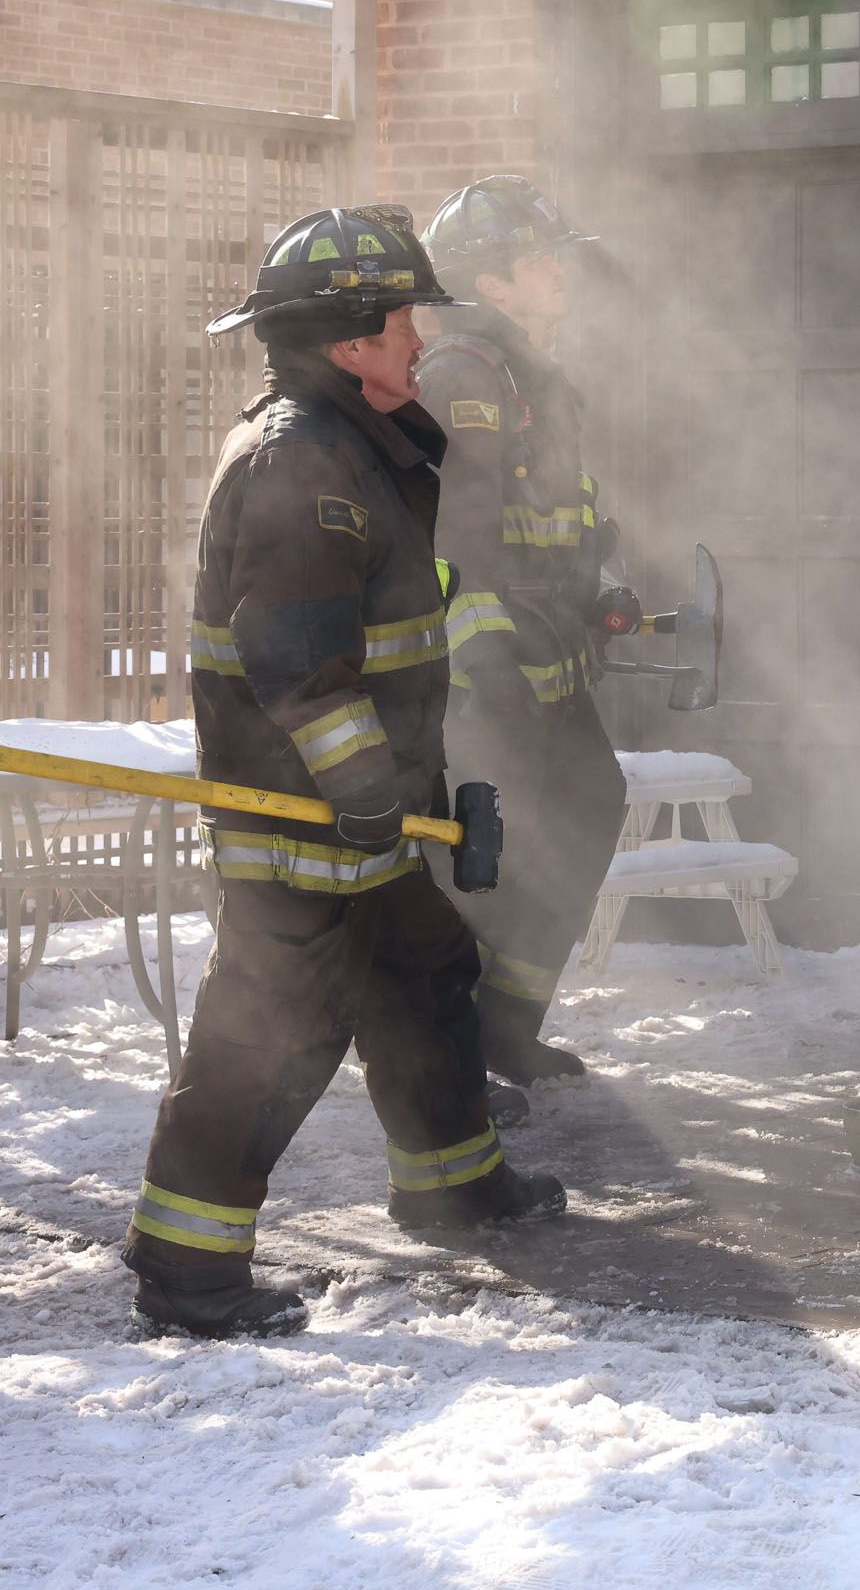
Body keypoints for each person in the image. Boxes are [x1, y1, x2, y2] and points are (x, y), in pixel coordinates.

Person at [127, 206, 566, 1340]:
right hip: (308, 815)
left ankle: (453, 1183)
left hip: (375, 804)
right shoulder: (301, 466)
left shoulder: (359, 447)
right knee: (271, 1030)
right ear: (349, 339)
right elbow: (298, 666)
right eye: (403, 316)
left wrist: (411, 789)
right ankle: (188, 1267)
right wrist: (366, 788)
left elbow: (399, 625)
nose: (420, 336)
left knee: (427, 972)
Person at [414, 176, 631, 1091]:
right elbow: (449, 542)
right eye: (539, 258)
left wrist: (605, 585)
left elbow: (568, 516)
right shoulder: (465, 375)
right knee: (482, 864)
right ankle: (446, 1050)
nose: (560, 270)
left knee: (585, 811)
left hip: (550, 665)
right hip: (489, 682)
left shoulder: (539, 376)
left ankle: (507, 1025)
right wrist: (485, 659)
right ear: (491, 282)